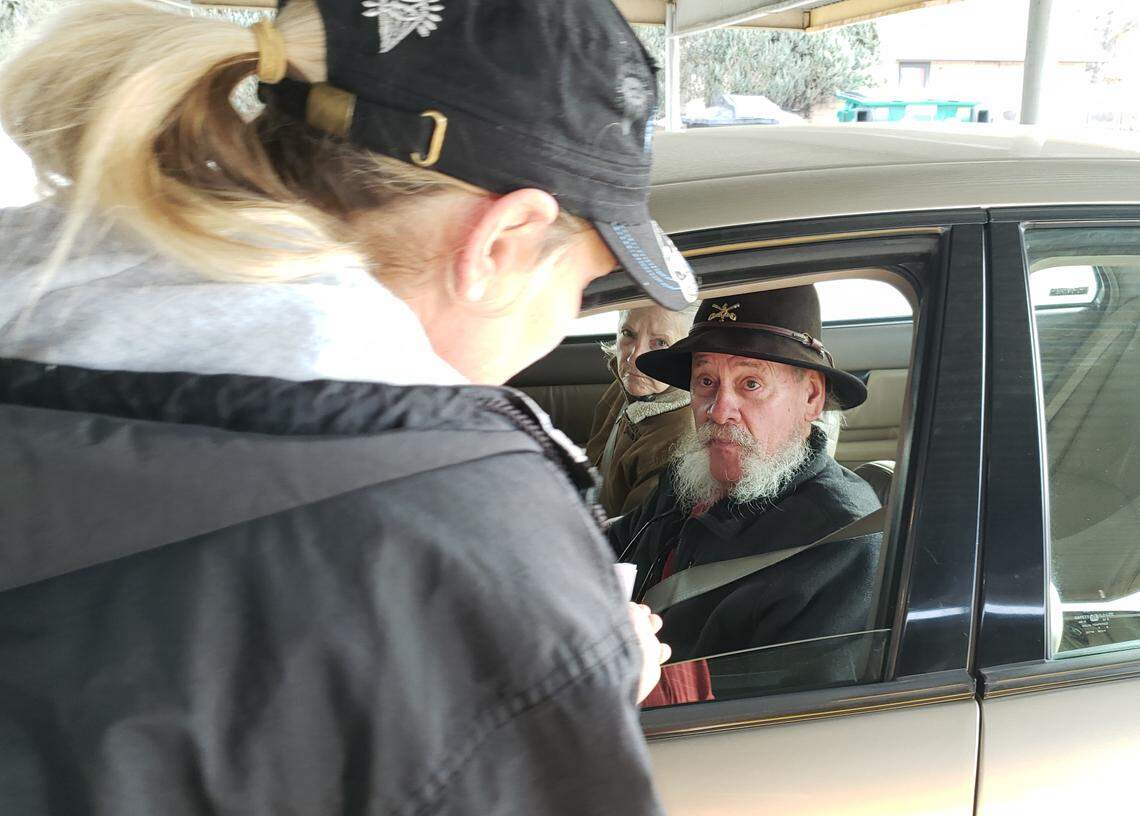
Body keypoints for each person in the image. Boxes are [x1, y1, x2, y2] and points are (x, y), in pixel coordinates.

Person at [0, 1, 698, 813]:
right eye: (583, 288)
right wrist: (557, 680)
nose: (559, 327)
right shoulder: (467, 558)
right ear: (502, 244)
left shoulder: (39, 325)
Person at [609, 287, 882, 671]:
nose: (719, 412)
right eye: (706, 381)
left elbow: (781, 715)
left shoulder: (840, 543)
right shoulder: (693, 472)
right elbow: (617, 546)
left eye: (750, 384)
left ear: (811, 398)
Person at [586, 303, 698, 517]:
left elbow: (627, 538)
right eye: (628, 334)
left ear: (689, 353)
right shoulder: (629, 386)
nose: (633, 358)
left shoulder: (677, 444)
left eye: (659, 343)